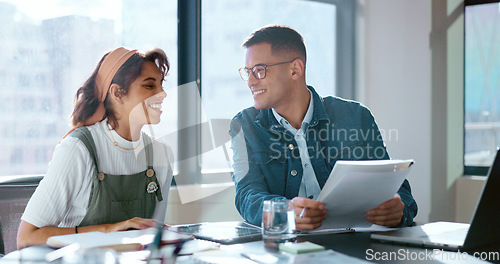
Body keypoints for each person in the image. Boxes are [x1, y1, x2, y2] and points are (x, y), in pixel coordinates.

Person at [229, 25, 418, 231]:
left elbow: (397, 189)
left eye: (259, 70)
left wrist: (398, 210)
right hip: (288, 247)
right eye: (248, 72)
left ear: (295, 69)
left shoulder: (356, 116)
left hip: (355, 242)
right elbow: (247, 194)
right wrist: (285, 211)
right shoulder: (243, 126)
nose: (250, 82)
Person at [17, 47, 173, 249]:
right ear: (117, 93)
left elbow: (150, 236)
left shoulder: (162, 154)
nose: (162, 93)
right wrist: (109, 229)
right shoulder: (78, 149)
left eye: (161, 84)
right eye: (149, 85)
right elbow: (27, 237)